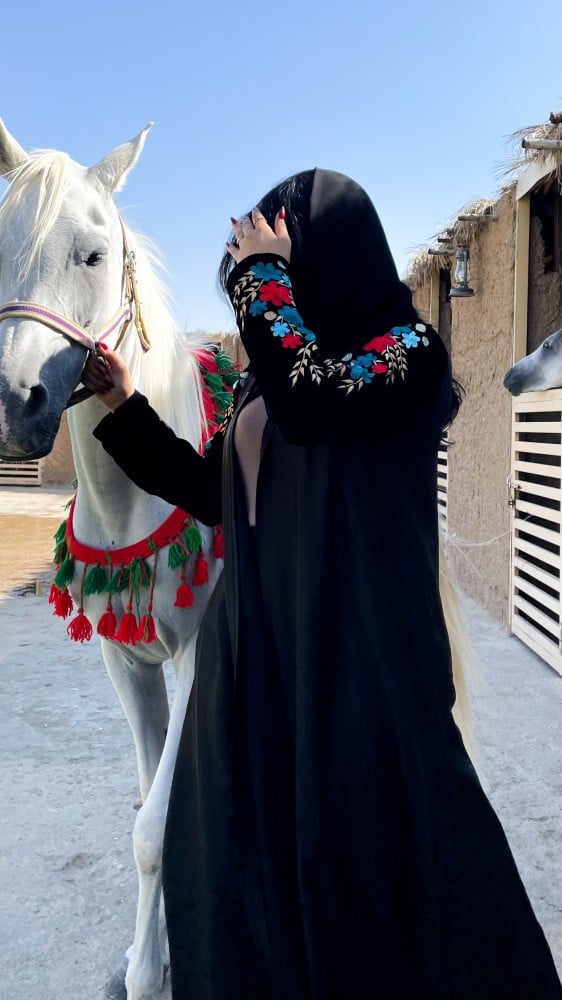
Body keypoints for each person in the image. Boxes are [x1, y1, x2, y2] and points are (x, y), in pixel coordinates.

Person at [84, 169, 562, 999]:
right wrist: (125, 407)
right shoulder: (266, 382)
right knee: (246, 875)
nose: (264, 282)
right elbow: (212, 494)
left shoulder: (407, 353)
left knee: (377, 887)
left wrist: (259, 278)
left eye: (283, 260)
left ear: (331, 255)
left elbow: (315, 403)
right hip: (255, 666)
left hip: (359, 669)